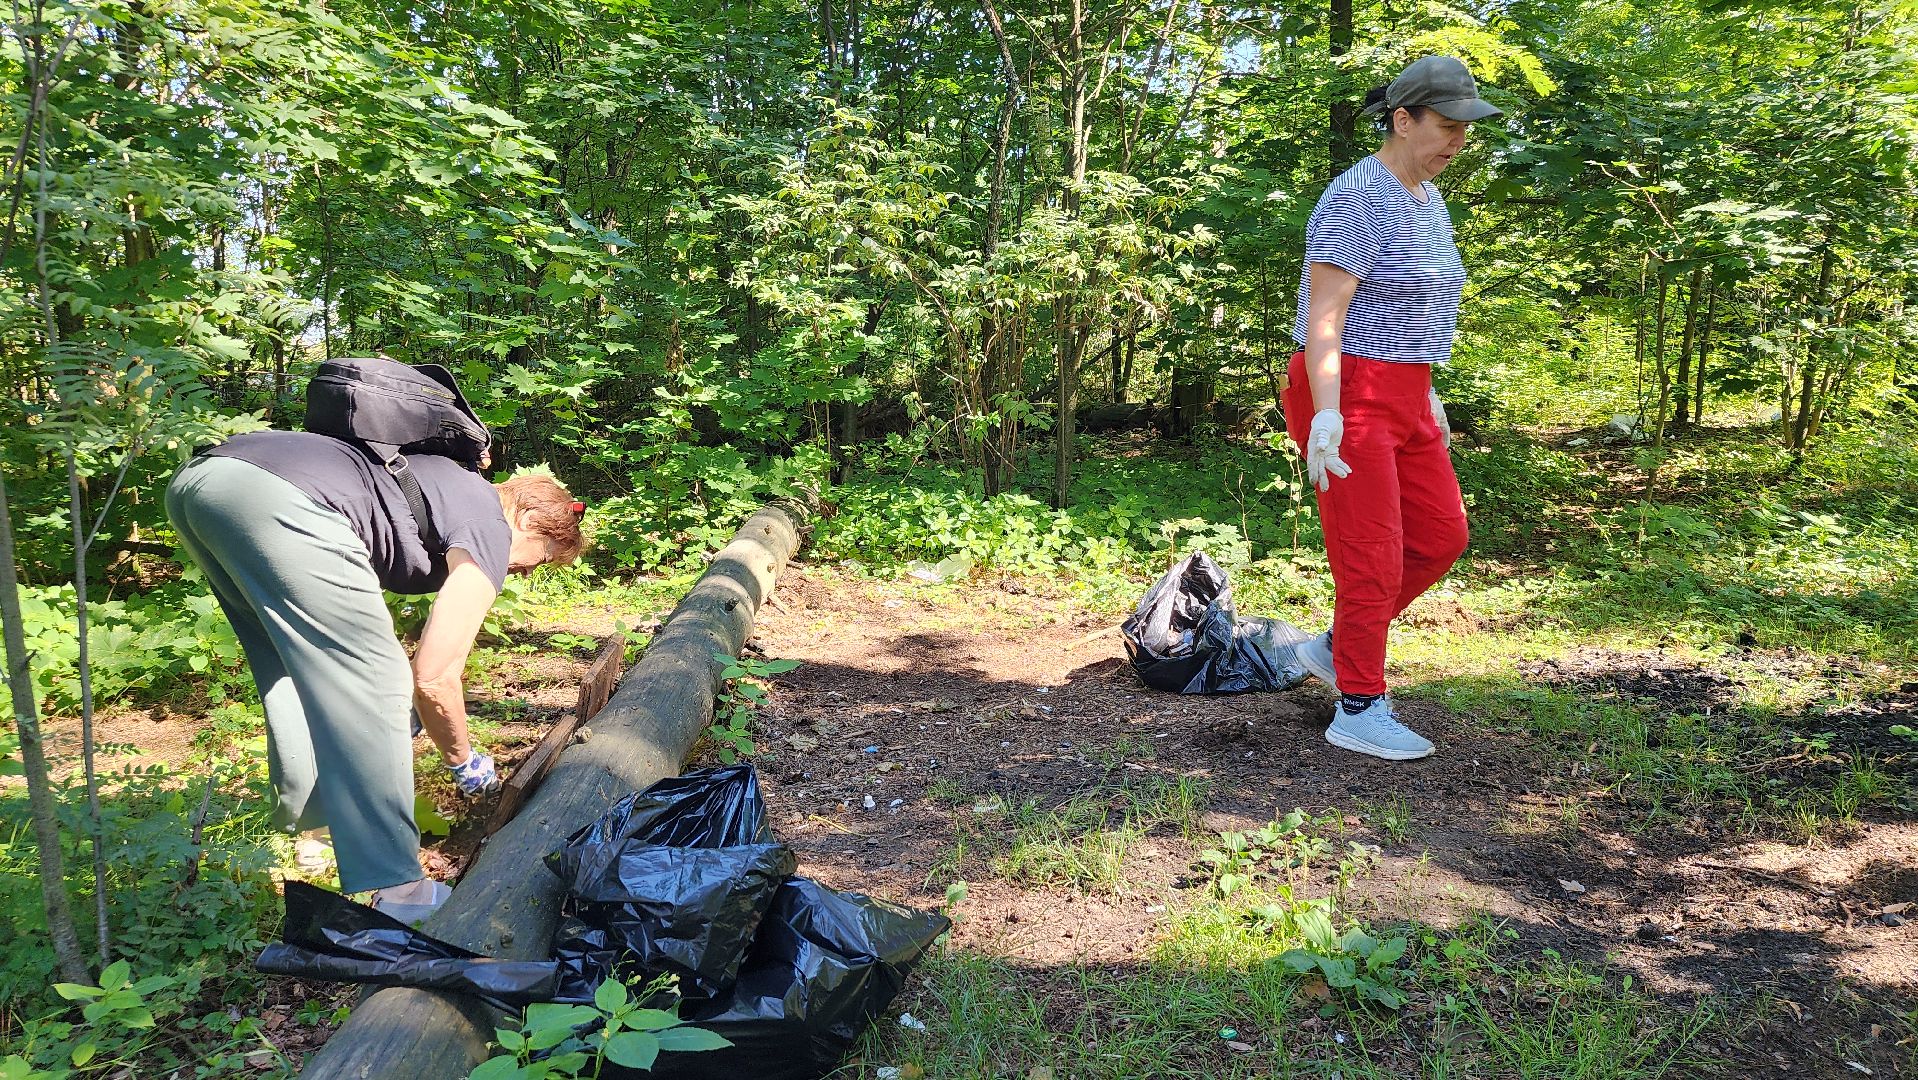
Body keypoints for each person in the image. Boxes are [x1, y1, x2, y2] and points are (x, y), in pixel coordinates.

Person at [166, 430, 584, 919]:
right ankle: (400, 892)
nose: (527, 571)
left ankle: (317, 833)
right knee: (381, 684)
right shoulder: (489, 520)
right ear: (529, 519)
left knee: (292, 668)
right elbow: (432, 677)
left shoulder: (450, 487)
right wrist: (462, 759)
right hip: (282, 499)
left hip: (205, 483)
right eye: (543, 558)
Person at [1283, 55, 1500, 761]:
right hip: (1345, 390)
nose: (1457, 143)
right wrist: (1325, 412)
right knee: (1370, 553)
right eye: (1445, 126)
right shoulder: (1357, 197)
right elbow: (1325, 317)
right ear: (1402, 120)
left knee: (1441, 537)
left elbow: (1411, 309)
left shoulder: (1426, 198)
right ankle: (1359, 705)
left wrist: (1425, 389)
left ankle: (1338, 646)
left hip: (1406, 391)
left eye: (1465, 130)